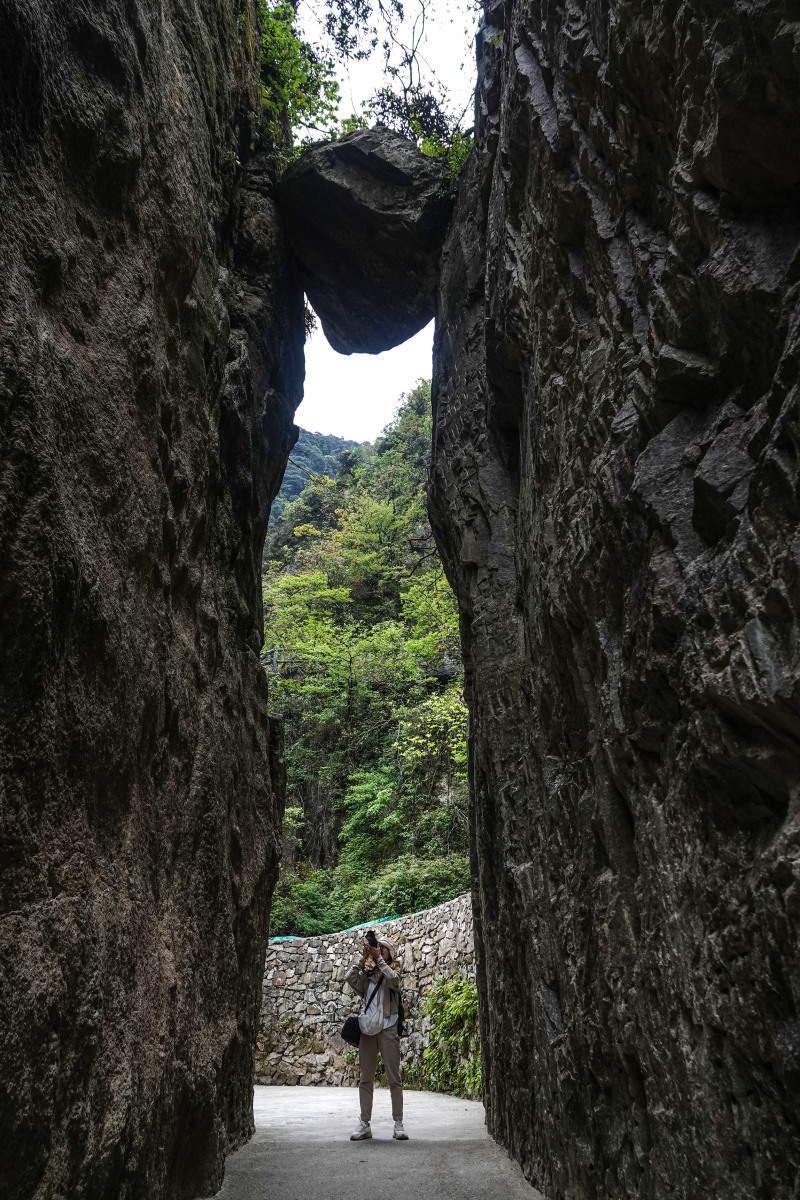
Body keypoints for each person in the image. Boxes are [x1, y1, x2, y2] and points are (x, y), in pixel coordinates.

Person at [345, 932, 408, 1141]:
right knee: (366, 1078)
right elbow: (350, 978)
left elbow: (394, 980)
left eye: (383, 947)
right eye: (376, 947)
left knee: (394, 1078)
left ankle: (398, 1123)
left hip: (388, 1027)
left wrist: (379, 959)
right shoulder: (368, 972)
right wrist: (364, 958)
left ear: (390, 952)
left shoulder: (393, 970)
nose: (378, 949)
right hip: (368, 1030)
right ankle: (364, 1124)